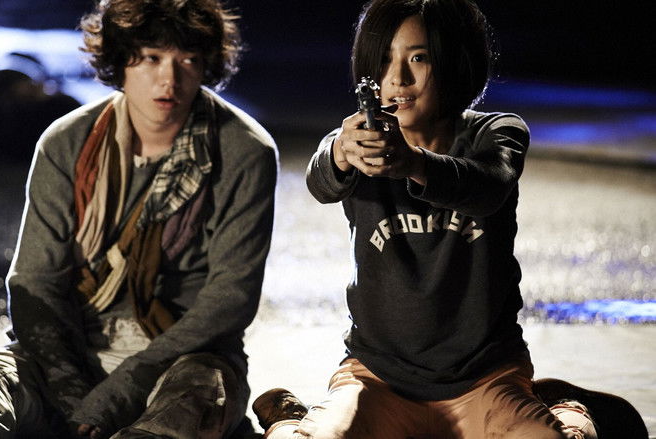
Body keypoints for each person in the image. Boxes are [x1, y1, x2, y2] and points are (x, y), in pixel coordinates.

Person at [252, 0, 648, 438]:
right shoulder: (356, 141)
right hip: (377, 378)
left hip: (485, 378)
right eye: (384, 60)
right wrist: (340, 154)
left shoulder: (496, 131)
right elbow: (320, 181)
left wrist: (412, 163)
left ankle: (566, 408)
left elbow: (489, 185)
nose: (397, 78)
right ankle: (291, 418)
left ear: (455, 61)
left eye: (418, 58)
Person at [0, 0, 278, 438]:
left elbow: (229, 300)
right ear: (121, 61)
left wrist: (119, 392)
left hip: (182, 359)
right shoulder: (68, 141)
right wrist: (71, 393)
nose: (169, 79)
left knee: (199, 395)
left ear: (206, 64)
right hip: (71, 350)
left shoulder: (244, 150)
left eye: (187, 60)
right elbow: (34, 284)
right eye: (150, 58)